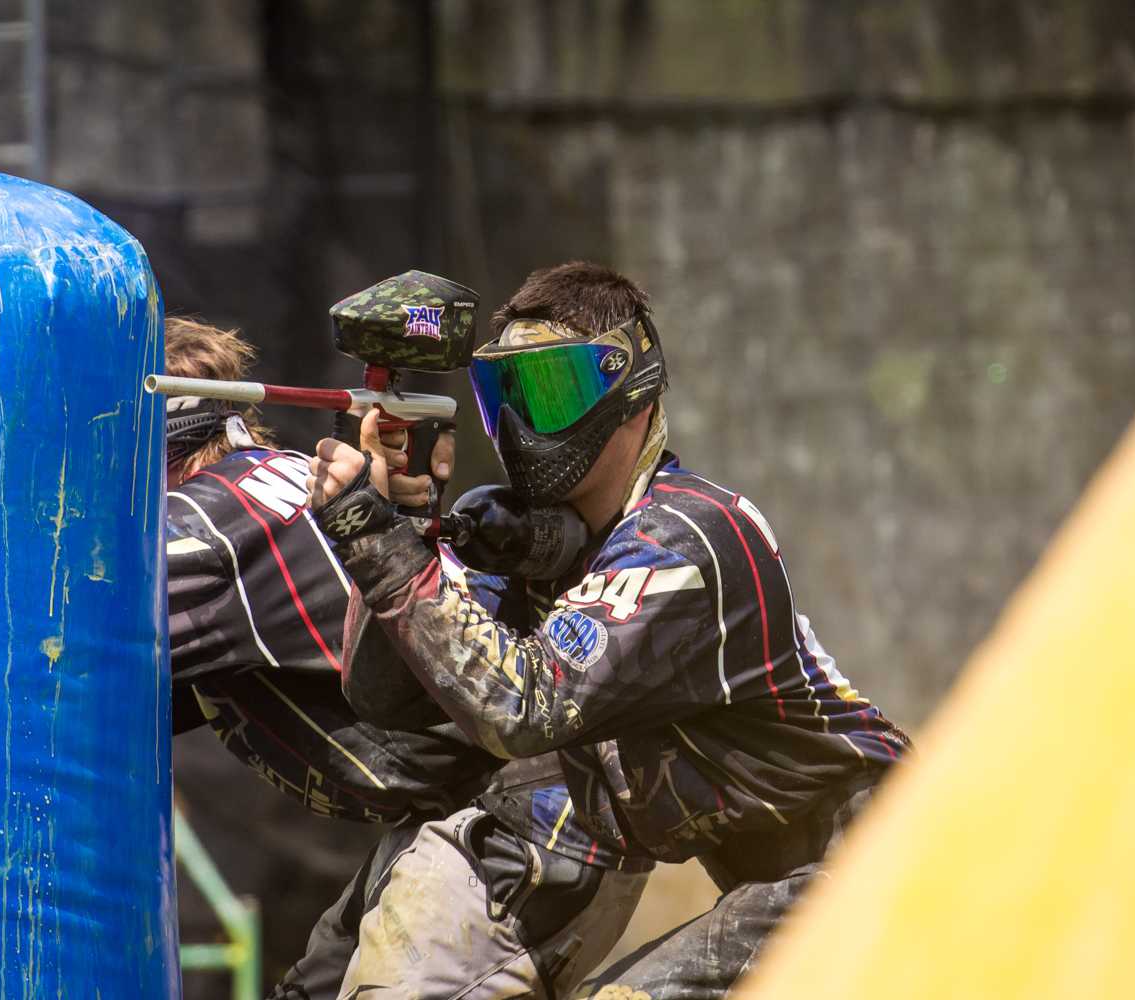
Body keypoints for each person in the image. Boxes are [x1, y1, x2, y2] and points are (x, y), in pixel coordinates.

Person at [307, 262, 912, 997]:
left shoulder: (688, 537)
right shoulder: (541, 545)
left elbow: (520, 709)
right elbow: (387, 698)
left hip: (890, 862)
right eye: (508, 398)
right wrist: (406, 518)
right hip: (789, 884)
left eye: (553, 394)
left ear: (632, 392)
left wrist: (378, 540)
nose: (525, 428)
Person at [160, 310, 649, 999]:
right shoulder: (275, 483)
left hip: (530, 825)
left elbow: (41, 643)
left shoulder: (209, 521)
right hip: (477, 811)